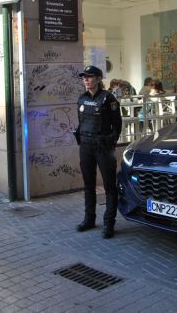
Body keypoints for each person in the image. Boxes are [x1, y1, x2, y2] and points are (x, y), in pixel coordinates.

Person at [75, 65, 123, 239]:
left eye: (89, 77)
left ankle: (109, 223)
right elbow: (81, 122)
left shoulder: (108, 99)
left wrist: (111, 141)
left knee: (110, 186)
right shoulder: (82, 99)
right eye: (84, 77)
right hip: (86, 146)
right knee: (88, 185)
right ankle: (89, 219)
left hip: (103, 147)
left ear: (99, 79)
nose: (86, 80)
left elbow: (117, 125)